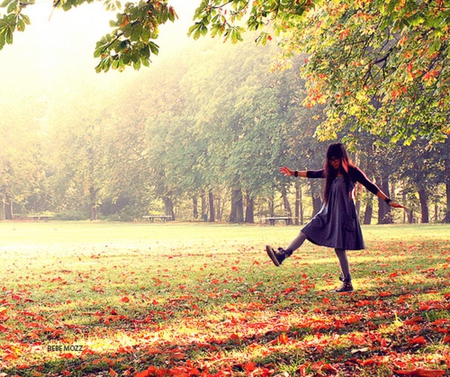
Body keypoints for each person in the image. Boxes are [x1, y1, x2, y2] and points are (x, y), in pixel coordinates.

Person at [266, 143, 405, 292]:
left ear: (342, 157)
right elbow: (313, 174)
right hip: (327, 212)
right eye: (331, 160)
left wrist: (388, 201)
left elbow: (371, 186)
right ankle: (283, 255)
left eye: (336, 159)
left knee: (339, 249)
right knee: (306, 230)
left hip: (344, 215)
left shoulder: (352, 172)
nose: (333, 162)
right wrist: (293, 173)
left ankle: (347, 282)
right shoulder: (330, 172)